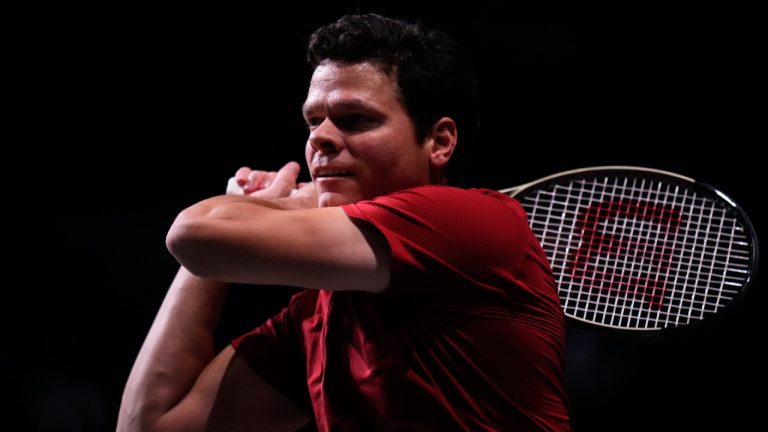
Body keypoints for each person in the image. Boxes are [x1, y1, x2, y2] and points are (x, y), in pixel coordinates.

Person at [117, 13, 571, 432]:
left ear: (439, 141)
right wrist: (231, 230)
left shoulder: (472, 221)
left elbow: (195, 231)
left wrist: (274, 208)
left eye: (355, 120)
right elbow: (149, 424)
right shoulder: (316, 317)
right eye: (313, 121)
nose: (321, 139)